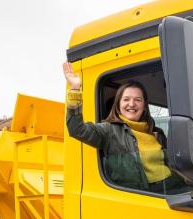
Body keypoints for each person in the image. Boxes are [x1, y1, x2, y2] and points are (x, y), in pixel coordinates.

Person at [62, 61, 186, 193]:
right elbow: (76, 129)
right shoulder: (109, 130)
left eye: (138, 100)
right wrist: (75, 88)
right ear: (118, 104)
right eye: (126, 99)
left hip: (173, 190)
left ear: (144, 105)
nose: (131, 104)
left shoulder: (157, 133)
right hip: (148, 198)